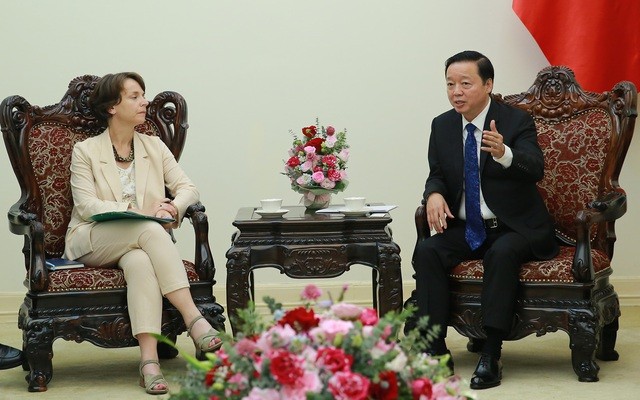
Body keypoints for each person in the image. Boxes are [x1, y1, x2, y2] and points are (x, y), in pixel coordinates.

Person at [63, 72, 222, 395]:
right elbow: (87, 205)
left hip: (139, 244)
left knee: (139, 263)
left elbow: (188, 188)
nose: (144, 102)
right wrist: (145, 214)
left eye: (143, 95)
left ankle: (148, 363)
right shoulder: (86, 151)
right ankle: (194, 319)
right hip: (92, 238)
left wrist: (173, 209)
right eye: (134, 96)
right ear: (111, 106)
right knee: (149, 229)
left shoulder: (153, 145)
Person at [412, 50, 558, 389]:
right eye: (450, 84)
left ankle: (491, 353)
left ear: (488, 84)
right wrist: (433, 194)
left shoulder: (515, 121)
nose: (456, 92)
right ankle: (436, 351)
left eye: (465, 83)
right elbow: (437, 173)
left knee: (502, 253)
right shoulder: (443, 125)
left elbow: (535, 168)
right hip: (467, 227)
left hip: (515, 226)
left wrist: (504, 153)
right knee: (428, 251)